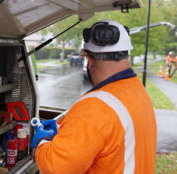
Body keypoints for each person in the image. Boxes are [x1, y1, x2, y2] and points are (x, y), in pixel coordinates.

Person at [31, 20, 157, 174]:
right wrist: (61, 127)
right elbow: (108, 135)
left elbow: (55, 167)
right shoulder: (137, 90)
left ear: (89, 61)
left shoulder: (97, 105)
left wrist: (42, 141)